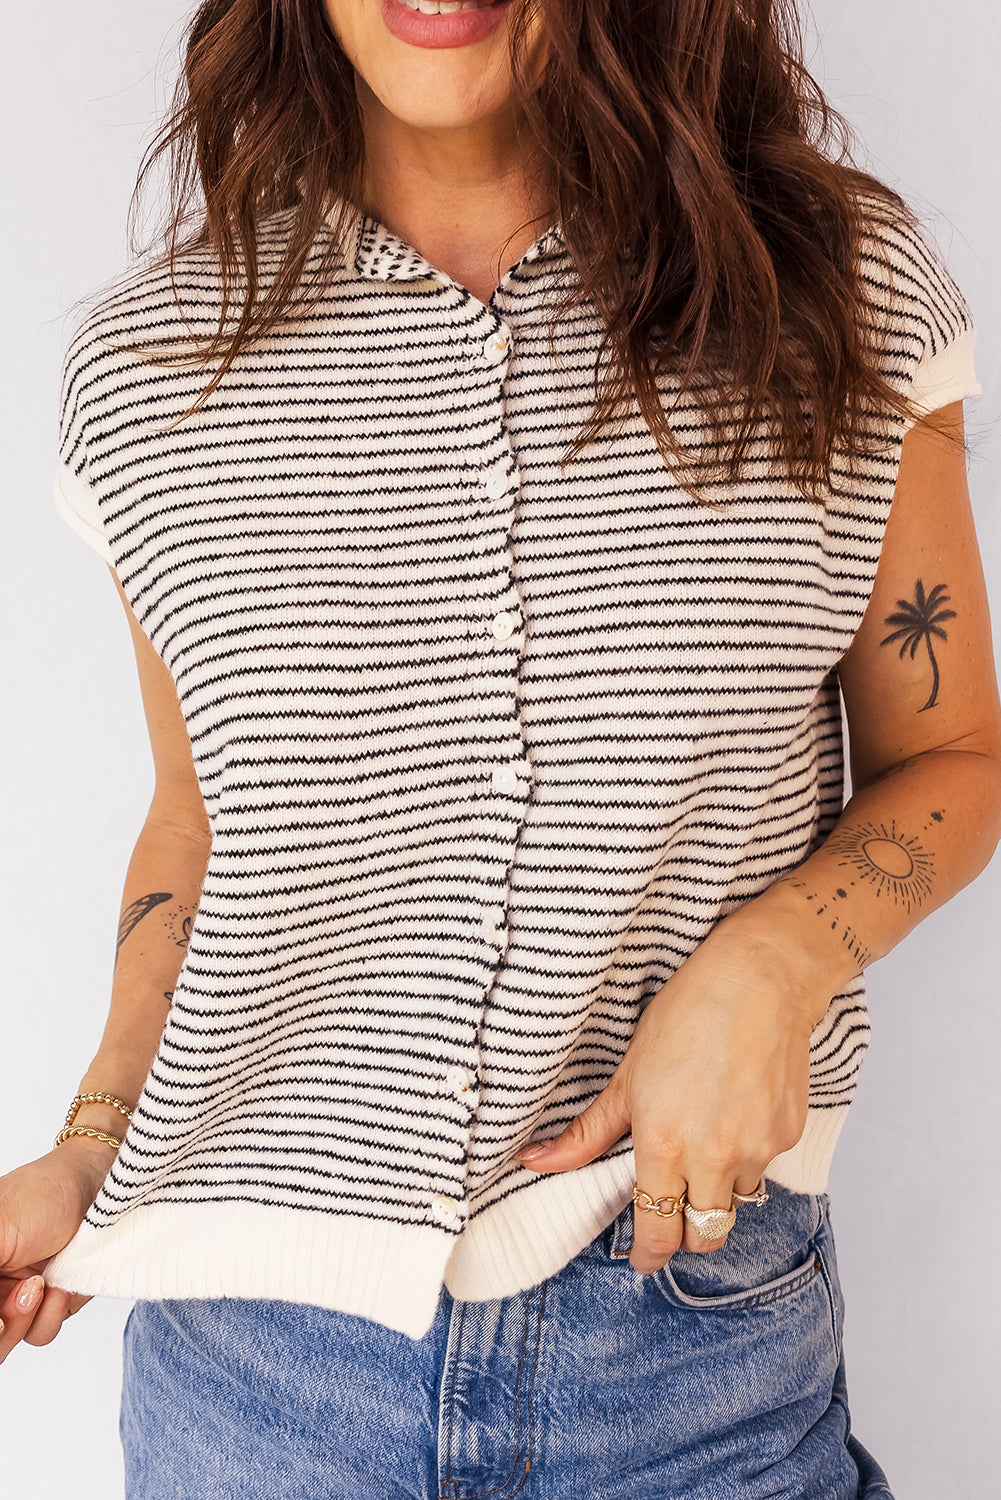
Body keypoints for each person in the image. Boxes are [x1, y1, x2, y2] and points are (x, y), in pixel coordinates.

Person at [2, 1, 999, 1495]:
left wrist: (774, 960)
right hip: (253, 1384)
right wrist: (95, 1140)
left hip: (694, 1348)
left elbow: (955, 753)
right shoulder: (151, 368)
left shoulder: (830, 289)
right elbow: (201, 829)